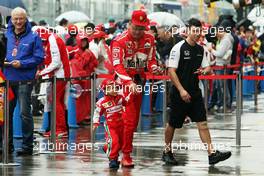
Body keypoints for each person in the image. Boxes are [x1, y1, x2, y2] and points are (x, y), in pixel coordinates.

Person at [162, 18, 231, 165]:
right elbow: (171, 71)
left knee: (203, 123)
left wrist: (205, 71)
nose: (197, 34)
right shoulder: (178, 48)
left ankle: (212, 154)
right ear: (188, 31)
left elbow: (207, 67)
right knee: (173, 124)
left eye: (199, 31)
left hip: (195, 92)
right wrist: (181, 90)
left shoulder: (201, 49)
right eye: (194, 31)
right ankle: (167, 151)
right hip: (179, 93)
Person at [111, 10, 160, 167]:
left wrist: (155, 68)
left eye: (142, 28)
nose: (138, 31)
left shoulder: (150, 39)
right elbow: (117, 66)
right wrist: (128, 82)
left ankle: (118, 149)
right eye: (136, 27)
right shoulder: (119, 41)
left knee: (132, 121)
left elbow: (151, 60)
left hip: (139, 83)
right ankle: (122, 153)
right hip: (122, 84)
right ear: (129, 24)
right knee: (125, 121)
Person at [0, 7, 44, 155]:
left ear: (26, 19)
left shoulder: (34, 37)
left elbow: (39, 58)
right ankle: (7, 145)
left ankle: (27, 147)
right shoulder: (6, 35)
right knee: (5, 114)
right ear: (11, 20)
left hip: (25, 81)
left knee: (25, 113)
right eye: (15, 19)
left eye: (21, 18)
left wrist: (22, 64)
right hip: (7, 80)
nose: (18, 21)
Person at [34, 26, 71, 138]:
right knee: (55, 101)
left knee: (55, 101)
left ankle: (60, 129)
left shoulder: (52, 39)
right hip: (58, 75)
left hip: (60, 76)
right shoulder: (51, 39)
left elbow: (56, 62)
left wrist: (41, 73)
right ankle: (57, 129)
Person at [93, 78, 131, 169]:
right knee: (115, 142)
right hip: (110, 126)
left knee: (121, 143)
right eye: (111, 88)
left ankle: (107, 147)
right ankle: (113, 159)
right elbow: (97, 113)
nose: (114, 89)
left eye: (115, 87)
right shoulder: (102, 102)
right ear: (105, 90)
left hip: (121, 124)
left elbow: (126, 103)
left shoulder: (120, 97)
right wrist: (95, 123)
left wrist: (130, 96)